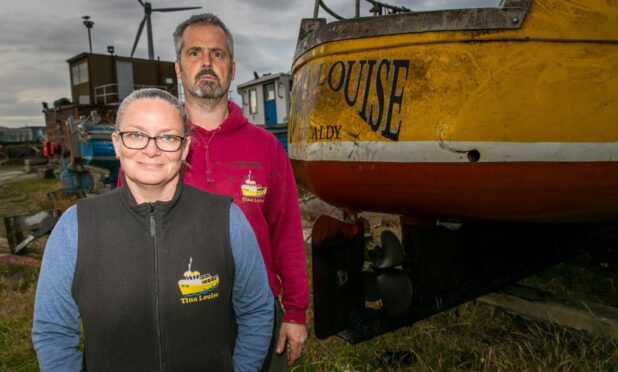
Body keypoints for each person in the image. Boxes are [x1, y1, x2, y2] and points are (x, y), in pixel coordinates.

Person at [32, 88, 273, 371]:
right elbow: (53, 331)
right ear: (117, 143)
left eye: (167, 137)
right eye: (136, 135)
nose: (151, 148)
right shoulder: (76, 228)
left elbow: (256, 310)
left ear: (185, 147)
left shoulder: (227, 220)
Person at [173, 13, 309, 370]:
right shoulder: (156, 149)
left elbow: (288, 233)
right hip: (179, 314)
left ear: (232, 70)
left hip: (257, 312)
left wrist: (295, 311)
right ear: (178, 68)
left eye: (217, 54)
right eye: (195, 53)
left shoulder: (266, 147)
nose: (206, 62)